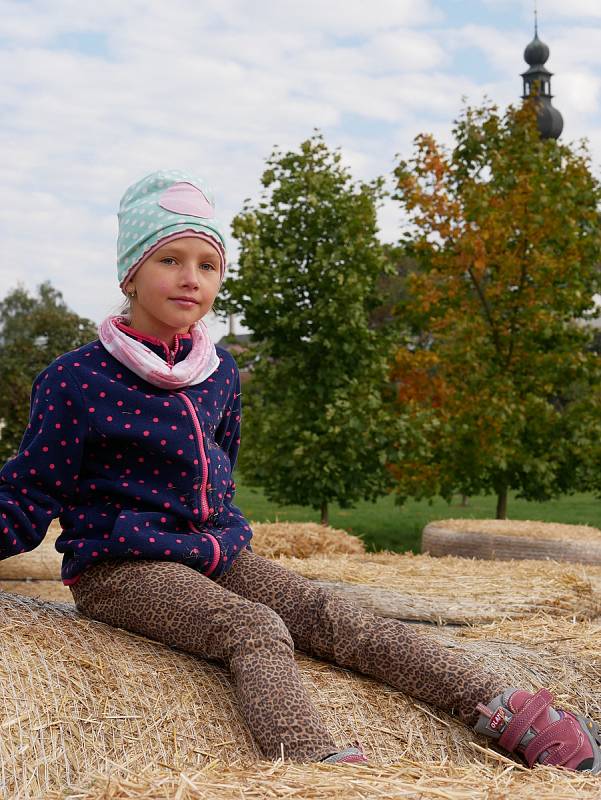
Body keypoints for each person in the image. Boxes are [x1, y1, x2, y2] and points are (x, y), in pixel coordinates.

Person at [1, 169, 599, 771]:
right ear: (131, 274)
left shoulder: (218, 371)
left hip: (211, 554)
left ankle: (506, 710)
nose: (191, 278)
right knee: (253, 627)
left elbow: (219, 472)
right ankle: (315, 768)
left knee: (330, 612)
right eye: (170, 260)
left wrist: (220, 536)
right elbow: (29, 493)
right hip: (121, 568)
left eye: (208, 265)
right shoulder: (75, 379)